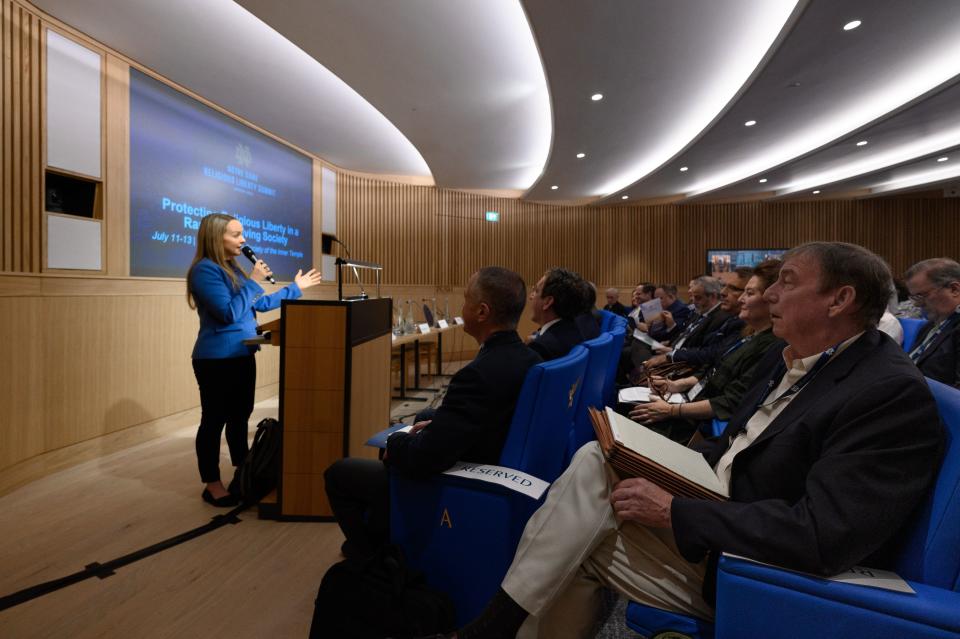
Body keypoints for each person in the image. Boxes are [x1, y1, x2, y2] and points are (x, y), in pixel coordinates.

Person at [443, 242, 944, 639]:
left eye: (786, 283)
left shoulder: (887, 391)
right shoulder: (799, 356)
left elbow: (820, 534)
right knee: (596, 467)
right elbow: (740, 448)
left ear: (840, 299)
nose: (768, 295)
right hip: (725, 501)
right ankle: (495, 627)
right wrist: (653, 458)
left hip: (761, 569)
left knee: (580, 533)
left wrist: (673, 511)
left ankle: (492, 626)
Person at [324, 267, 541, 560]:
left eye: (465, 300)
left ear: (481, 312)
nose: (462, 306)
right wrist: (437, 424)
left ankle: (374, 559)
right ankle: (388, 528)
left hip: (471, 475)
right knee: (421, 421)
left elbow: (426, 458)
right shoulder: (530, 358)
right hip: (499, 456)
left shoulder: (477, 375)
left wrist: (396, 444)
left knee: (339, 473)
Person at [187, 213, 322, 507]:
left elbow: (259, 303)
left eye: (242, 234)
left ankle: (243, 472)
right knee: (214, 421)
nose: (243, 240)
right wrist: (253, 281)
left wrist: (296, 288)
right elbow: (228, 313)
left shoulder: (232, 269)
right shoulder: (205, 271)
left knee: (239, 417)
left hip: (241, 355)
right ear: (215, 237)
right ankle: (212, 484)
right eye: (236, 234)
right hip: (216, 360)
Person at [629, 260, 784, 443]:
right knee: (628, 409)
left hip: (702, 424)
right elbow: (714, 369)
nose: (737, 297)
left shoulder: (770, 344)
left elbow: (731, 401)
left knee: (631, 421)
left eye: (748, 293)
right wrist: (675, 386)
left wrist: (671, 410)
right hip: (691, 402)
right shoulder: (748, 333)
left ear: (772, 299)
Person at [905, 257, 960, 387]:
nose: (918, 305)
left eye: (921, 296)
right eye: (914, 297)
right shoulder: (930, 325)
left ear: (954, 289)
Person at [528, 268, 593, 361]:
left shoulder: (540, 348)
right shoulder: (576, 331)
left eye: (536, 291)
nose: (531, 297)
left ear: (547, 302)